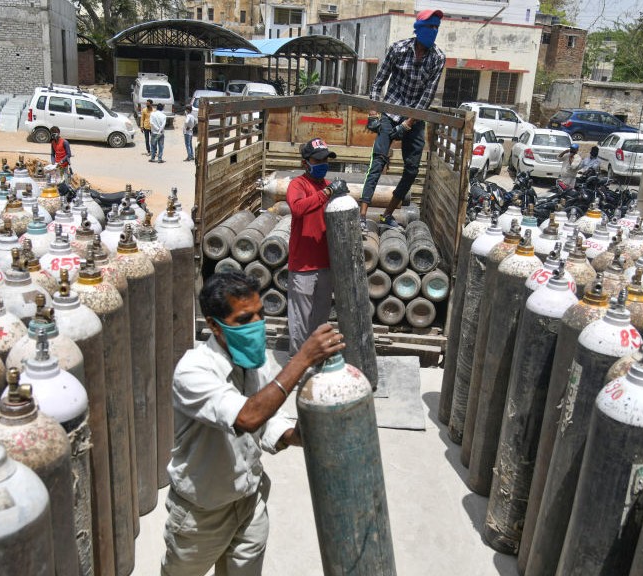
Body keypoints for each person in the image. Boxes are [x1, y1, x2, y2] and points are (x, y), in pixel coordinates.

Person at [162, 271, 344, 575]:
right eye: (245, 319)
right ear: (214, 325)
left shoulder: (254, 362)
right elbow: (248, 417)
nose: (257, 325)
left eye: (260, 314)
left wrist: (296, 434)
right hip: (202, 513)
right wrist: (302, 359)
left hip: (250, 501)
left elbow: (267, 418)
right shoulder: (193, 371)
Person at [361, 9, 446, 231]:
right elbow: (377, 83)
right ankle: (362, 215)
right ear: (418, 29)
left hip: (415, 118)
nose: (433, 31)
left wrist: (407, 124)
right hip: (390, 111)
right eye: (430, 27)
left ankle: (387, 215)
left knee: (412, 169)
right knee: (378, 162)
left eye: (436, 27)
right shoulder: (398, 49)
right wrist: (373, 113)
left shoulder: (438, 58)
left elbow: (427, 96)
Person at [286, 138, 349, 358]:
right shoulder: (298, 185)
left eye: (326, 160)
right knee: (300, 321)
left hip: (325, 263)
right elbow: (297, 208)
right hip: (303, 265)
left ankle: (315, 360)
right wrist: (327, 193)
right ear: (305, 163)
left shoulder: (327, 186)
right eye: (318, 160)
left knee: (320, 319)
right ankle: (297, 363)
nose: (323, 164)